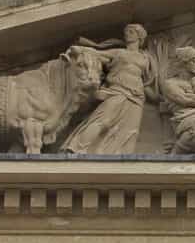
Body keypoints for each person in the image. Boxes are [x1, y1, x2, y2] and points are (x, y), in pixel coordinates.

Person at [63, 23, 159, 155]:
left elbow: (147, 82)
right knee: (103, 121)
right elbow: (97, 54)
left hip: (137, 97)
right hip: (118, 91)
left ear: (140, 36)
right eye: (126, 31)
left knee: (130, 130)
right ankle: (76, 148)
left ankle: (122, 156)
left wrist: (159, 98)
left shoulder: (146, 58)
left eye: (131, 31)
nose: (127, 34)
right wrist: (80, 50)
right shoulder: (119, 52)